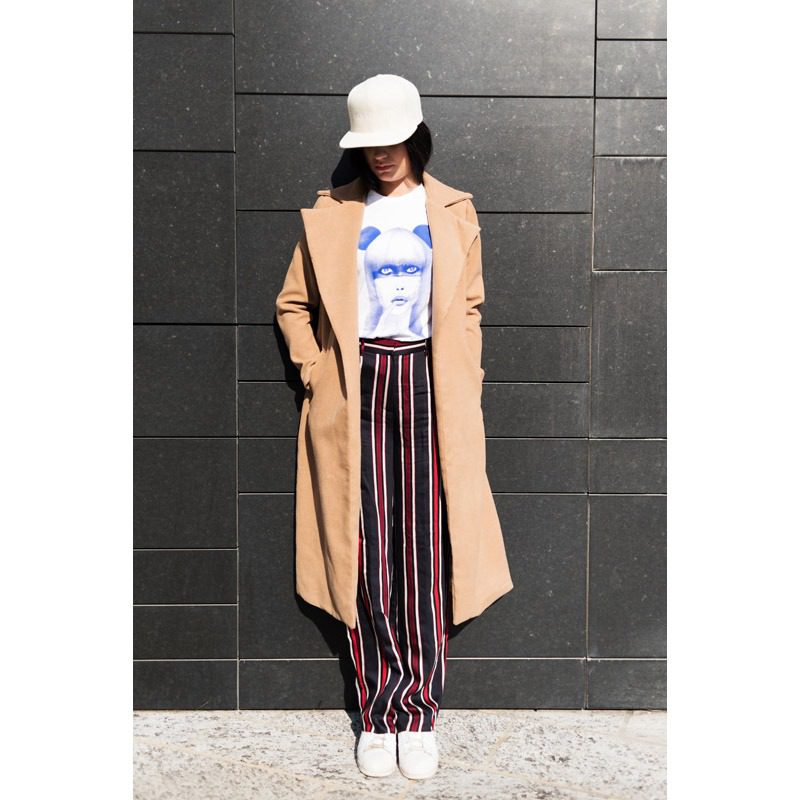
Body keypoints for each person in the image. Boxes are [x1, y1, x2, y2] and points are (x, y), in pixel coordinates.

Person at [275, 73, 514, 781]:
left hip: (432, 385)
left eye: (392, 140)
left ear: (415, 136)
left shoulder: (453, 210)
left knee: (428, 551)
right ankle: (379, 714)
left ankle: (421, 715)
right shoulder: (334, 215)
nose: (380, 154)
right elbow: (293, 304)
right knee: (367, 548)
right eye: (368, 143)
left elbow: (469, 305)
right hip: (359, 385)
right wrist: (317, 371)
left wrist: (466, 373)